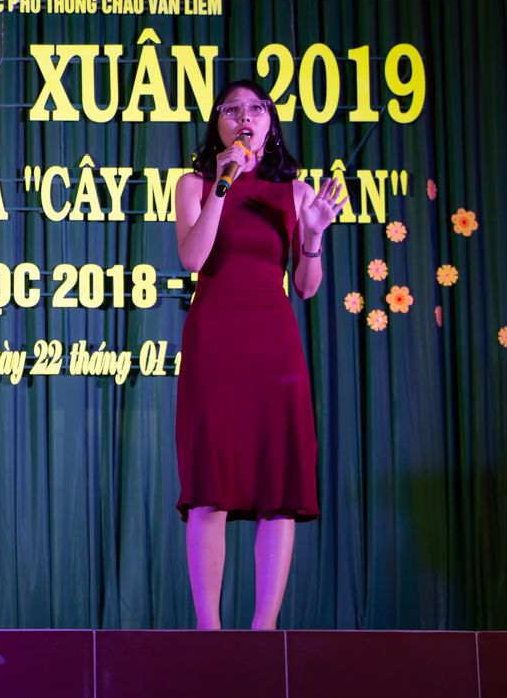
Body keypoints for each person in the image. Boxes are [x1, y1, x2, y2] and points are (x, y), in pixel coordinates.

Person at [173, 79, 347, 630]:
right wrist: (222, 186)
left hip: (273, 343)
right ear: (218, 125)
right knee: (210, 484)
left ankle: (264, 630)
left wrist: (313, 235)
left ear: (270, 123)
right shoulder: (194, 184)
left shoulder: (295, 192)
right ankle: (208, 632)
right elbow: (193, 259)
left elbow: (308, 286)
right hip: (214, 340)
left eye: (255, 108)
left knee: (279, 484)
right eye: (231, 109)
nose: (243, 117)